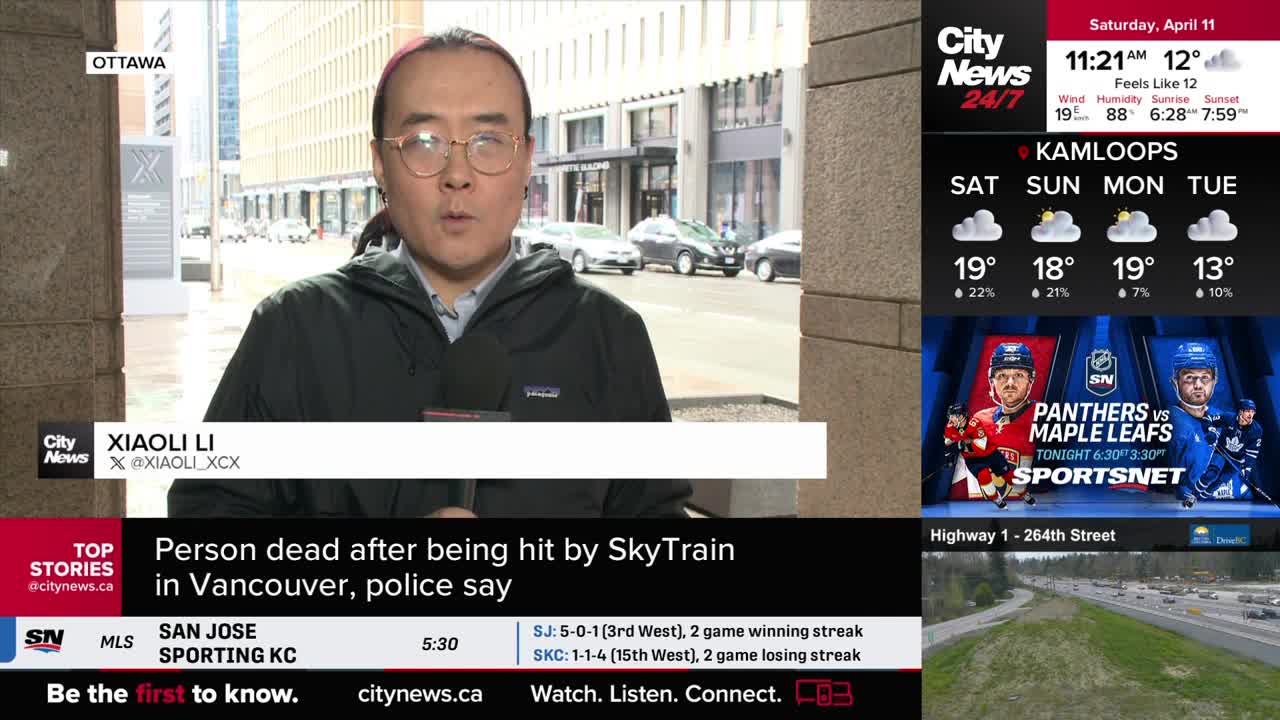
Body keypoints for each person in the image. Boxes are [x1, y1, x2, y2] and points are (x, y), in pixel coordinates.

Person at [168, 28, 691, 518]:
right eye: (423, 142)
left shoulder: (606, 335)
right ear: (380, 162)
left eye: (488, 141)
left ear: (527, 159)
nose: (457, 175)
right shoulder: (294, 329)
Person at [947, 342, 1038, 508]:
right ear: (992, 381)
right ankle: (998, 500)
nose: (1010, 382)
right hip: (980, 469)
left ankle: (1024, 495)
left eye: (1018, 375)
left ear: (1031, 380)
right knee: (983, 477)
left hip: (995, 459)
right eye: (1002, 375)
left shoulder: (1042, 415)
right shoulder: (979, 418)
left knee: (1010, 478)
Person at [1167, 342, 1234, 509]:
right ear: (1175, 381)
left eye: (1205, 377)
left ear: (1214, 381)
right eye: (1189, 377)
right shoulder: (1167, 422)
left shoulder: (1227, 421)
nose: (1198, 385)